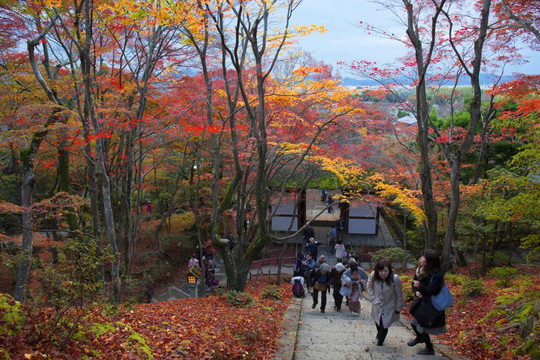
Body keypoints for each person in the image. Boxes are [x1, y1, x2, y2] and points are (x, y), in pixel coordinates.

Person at [408, 250, 447, 356]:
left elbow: (433, 291)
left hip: (430, 305)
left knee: (421, 325)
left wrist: (420, 287)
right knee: (415, 324)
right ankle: (420, 338)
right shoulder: (421, 270)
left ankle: (429, 348)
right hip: (422, 302)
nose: (421, 258)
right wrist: (416, 292)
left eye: (424, 257)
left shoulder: (436, 274)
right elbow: (414, 283)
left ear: (429, 261)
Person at [367, 259, 404, 346]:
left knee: (384, 324)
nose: (383, 273)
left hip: (389, 305)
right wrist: (373, 298)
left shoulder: (394, 279)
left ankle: (380, 342)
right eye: (381, 271)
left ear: (389, 270)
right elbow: (369, 286)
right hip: (377, 304)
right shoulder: (374, 276)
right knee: (377, 321)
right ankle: (379, 333)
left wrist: (399, 307)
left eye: (385, 271)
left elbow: (399, 294)